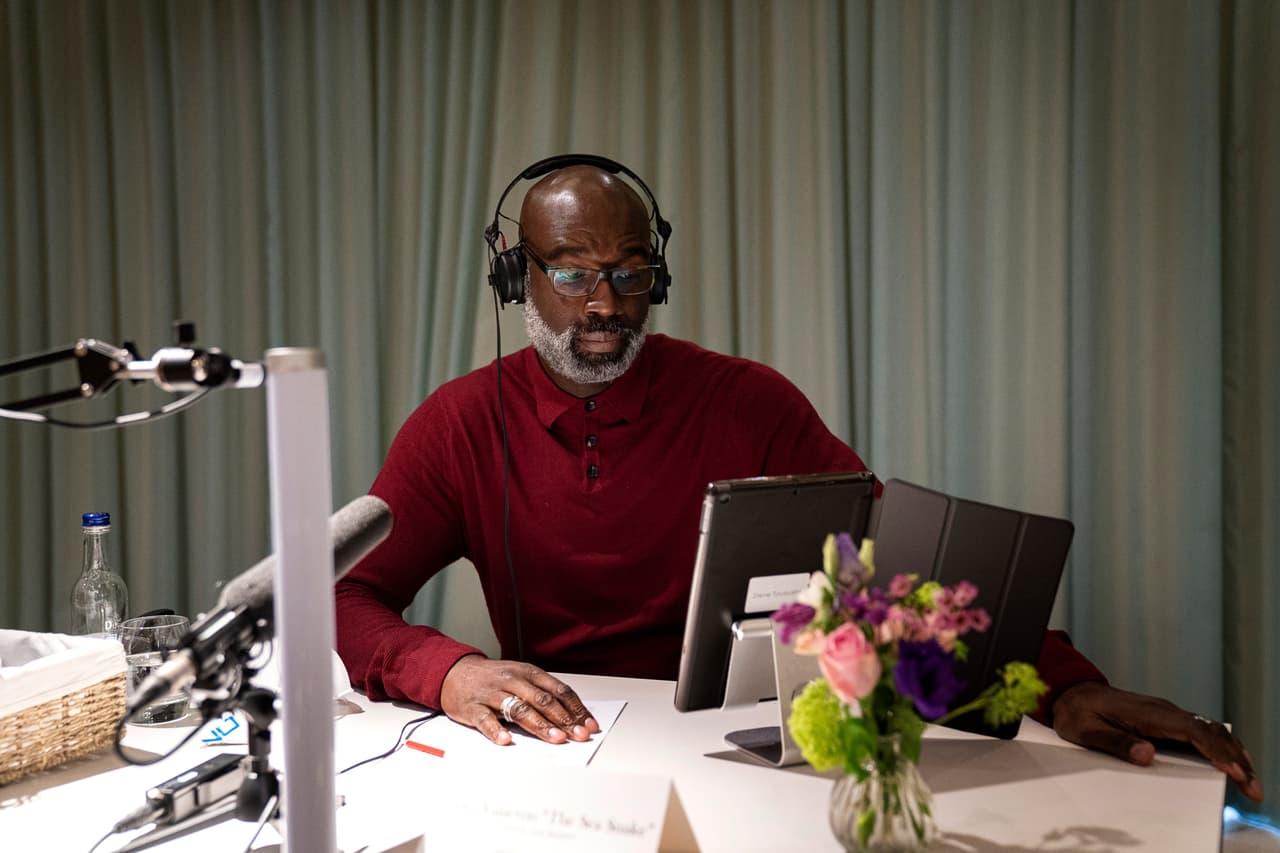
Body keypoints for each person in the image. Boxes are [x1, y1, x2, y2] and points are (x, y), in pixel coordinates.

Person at [335, 159, 1263, 803]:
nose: (606, 305)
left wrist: (1057, 688)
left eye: (629, 272)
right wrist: (446, 668)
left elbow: (894, 570)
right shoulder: (459, 422)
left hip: (739, 753)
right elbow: (348, 595)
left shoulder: (745, 401)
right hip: (558, 759)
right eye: (573, 274)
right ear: (517, 279)